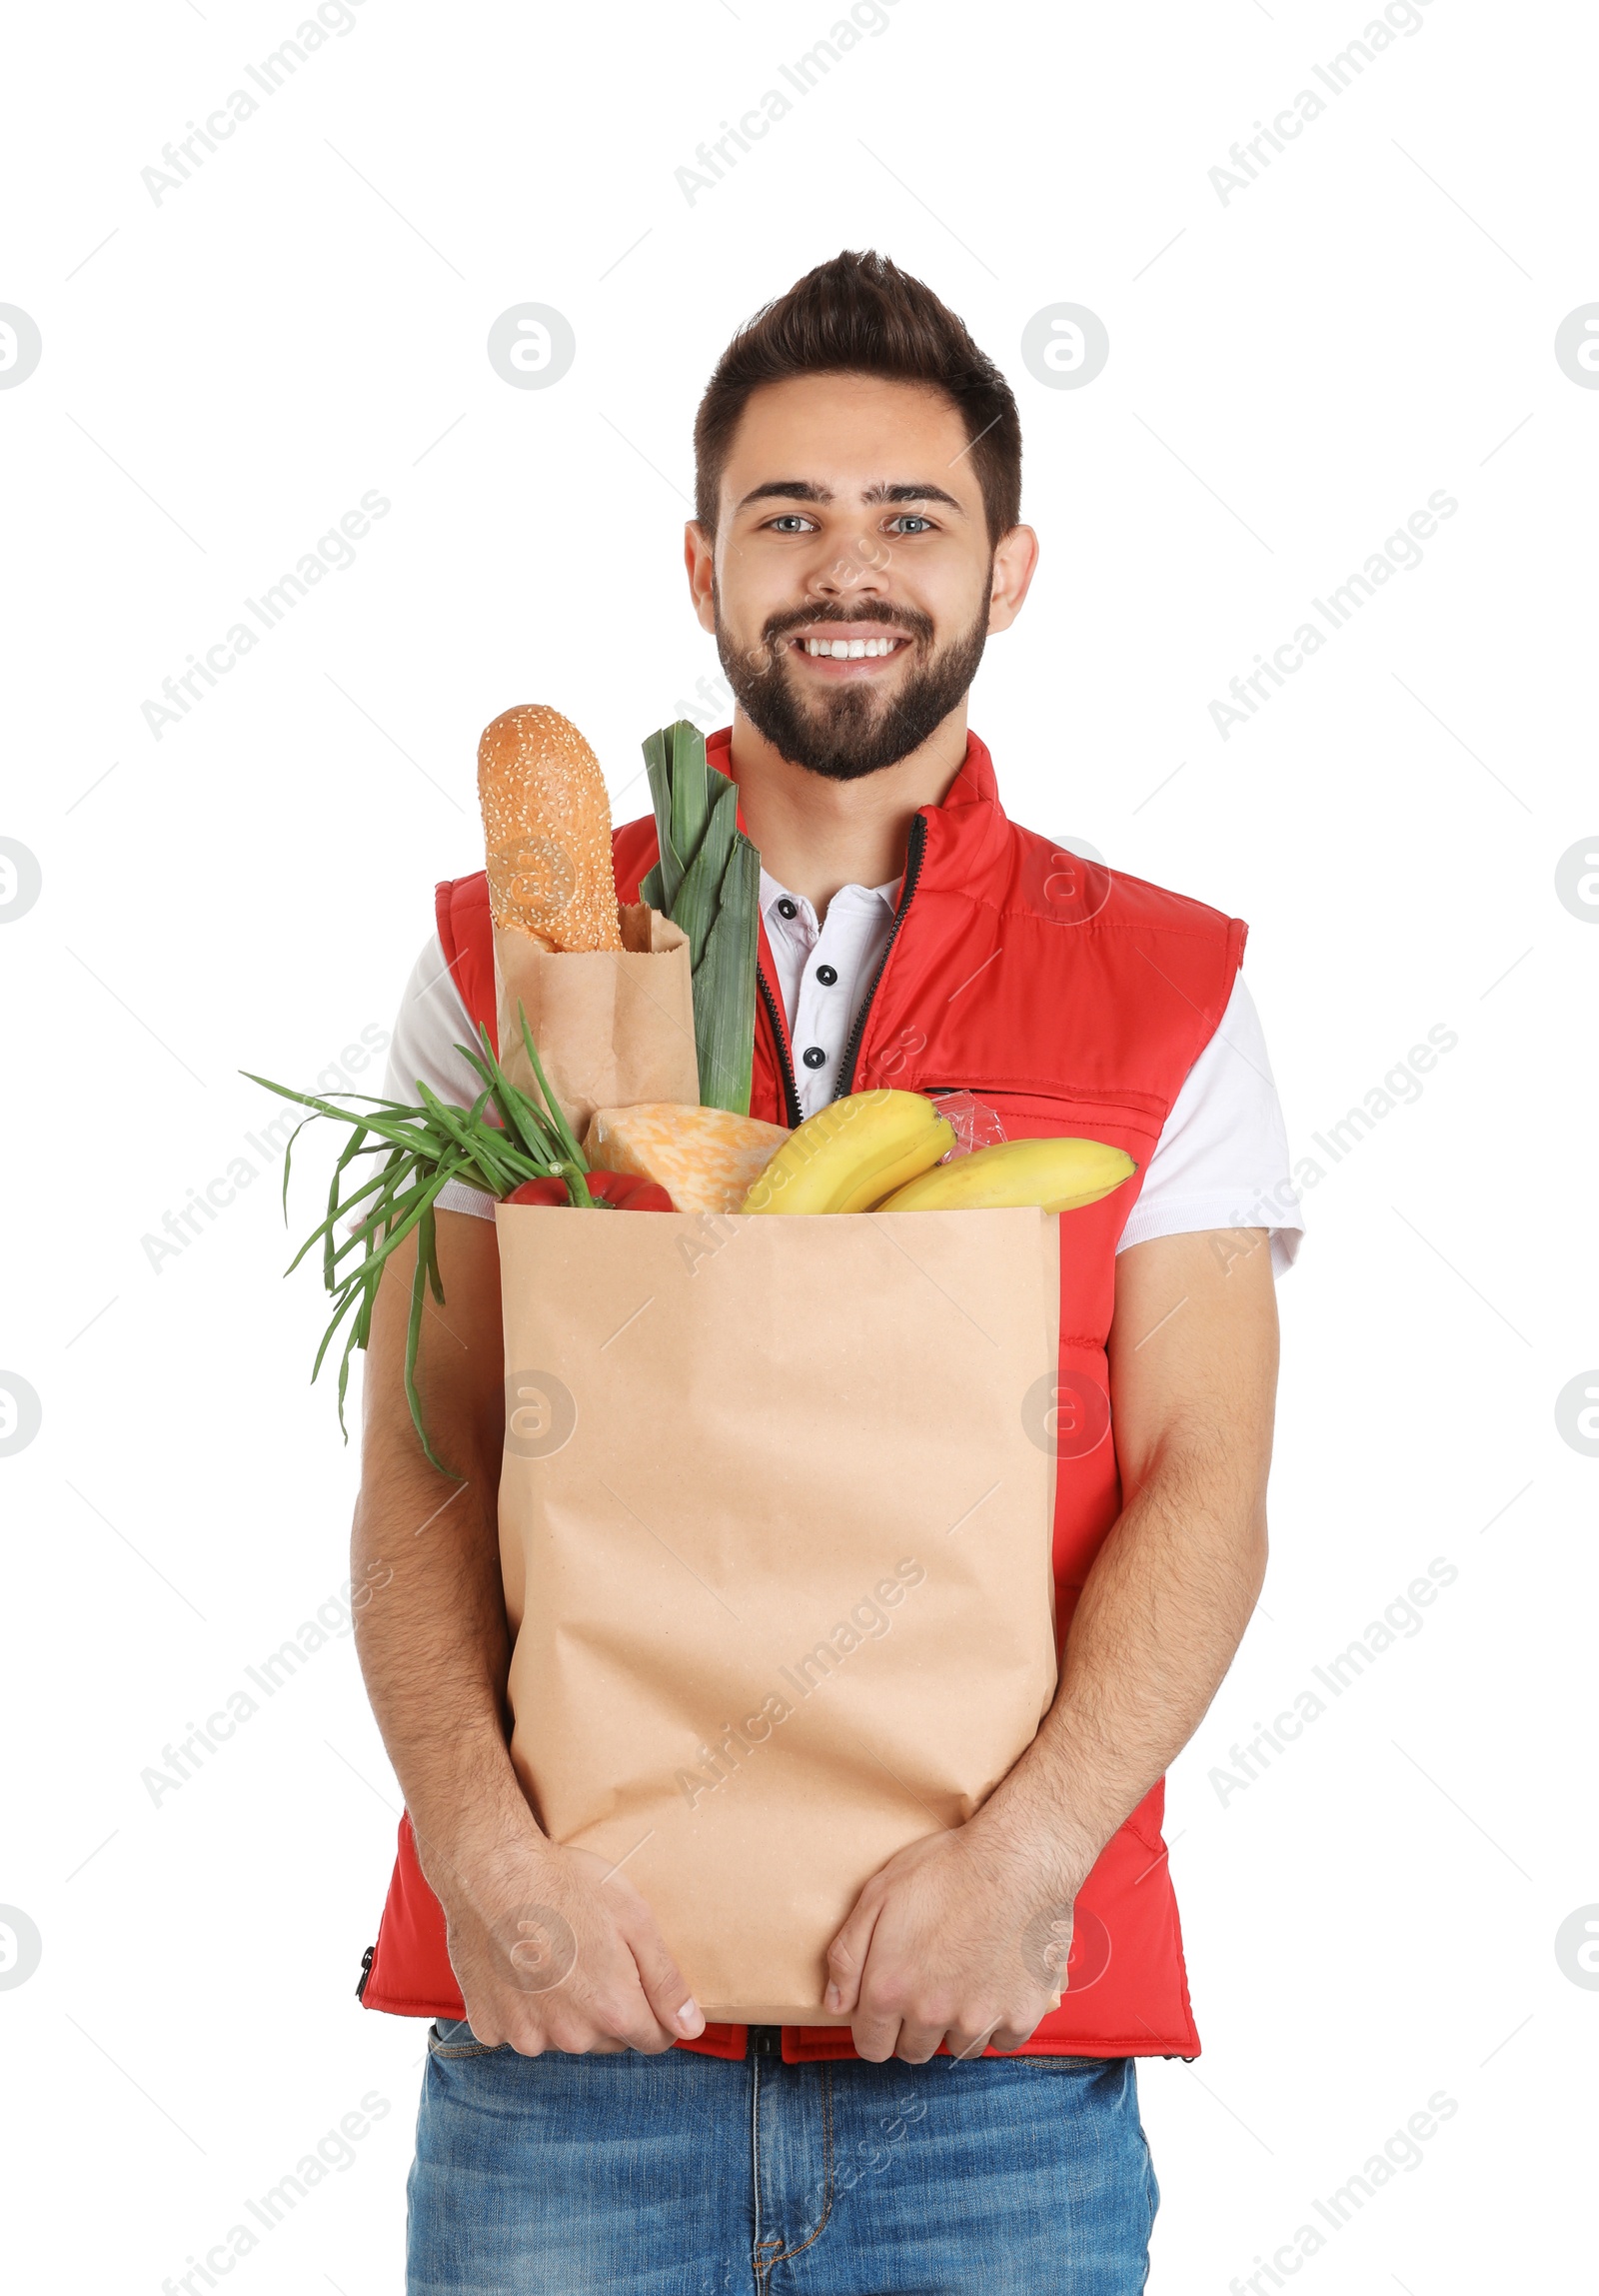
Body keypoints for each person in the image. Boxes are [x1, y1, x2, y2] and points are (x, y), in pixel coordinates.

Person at [356, 249, 1301, 2292]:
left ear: (1008, 568)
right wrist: (484, 1858)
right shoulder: (497, 959)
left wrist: (1025, 1861)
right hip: (567, 2036)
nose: (841, 566)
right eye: (783, 515)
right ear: (695, 564)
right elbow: (421, 1467)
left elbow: (1202, 1487)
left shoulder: (1164, 993)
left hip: (987, 2044)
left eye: (906, 517)